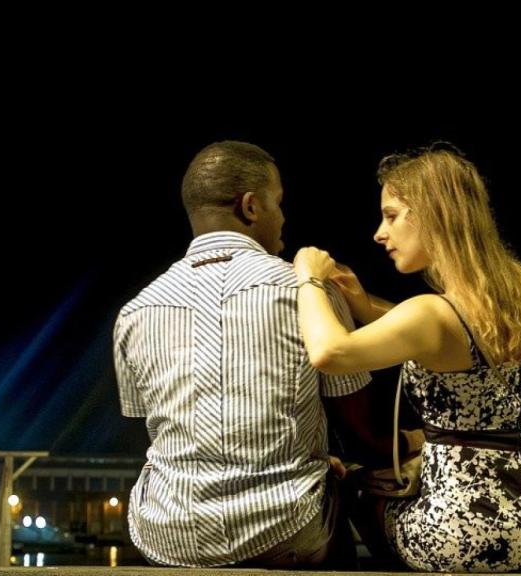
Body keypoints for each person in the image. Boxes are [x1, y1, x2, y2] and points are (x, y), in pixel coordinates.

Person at [293, 143, 521, 572]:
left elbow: (329, 352)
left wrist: (309, 279)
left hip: (470, 535)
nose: (379, 232)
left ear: (433, 214)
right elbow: (459, 335)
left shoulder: (430, 314)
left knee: (353, 487)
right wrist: (362, 303)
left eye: (391, 215)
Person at [113, 140, 377, 569]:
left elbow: (163, 427)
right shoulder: (305, 290)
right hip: (286, 528)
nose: (283, 217)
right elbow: (361, 430)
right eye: (278, 203)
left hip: (167, 535)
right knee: (345, 486)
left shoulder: (136, 310)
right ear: (251, 207)